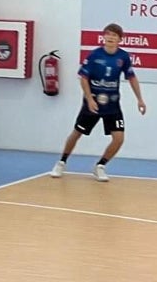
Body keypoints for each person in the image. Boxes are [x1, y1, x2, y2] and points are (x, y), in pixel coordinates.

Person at [50, 23, 146, 182]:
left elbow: (131, 77)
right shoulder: (94, 55)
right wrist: (89, 99)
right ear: (103, 36)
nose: (110, 37)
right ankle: (62, 162)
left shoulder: (123, 57)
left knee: (119, 139)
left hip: (112, 106)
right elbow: (84, 78)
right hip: (92, 104)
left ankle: (100, 166)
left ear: (120, 39)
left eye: (114, 35)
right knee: (76, 133)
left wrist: (140, 99)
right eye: (108, 34)